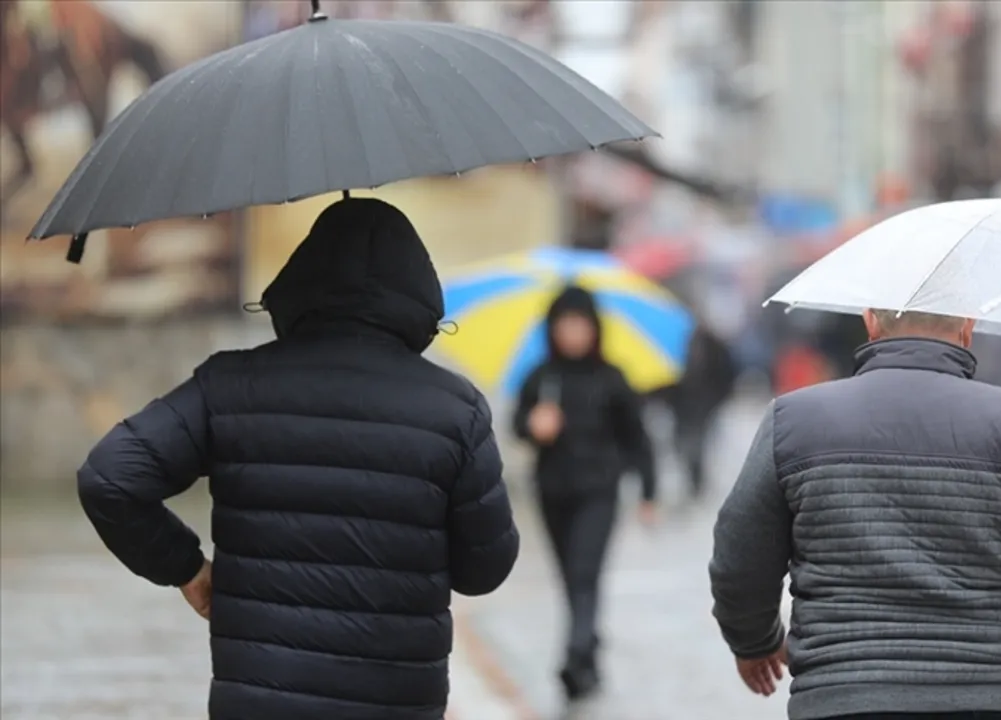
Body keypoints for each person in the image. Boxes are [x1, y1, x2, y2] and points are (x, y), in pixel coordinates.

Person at [77, 198, 520, 720]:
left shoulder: (230, 385)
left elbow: (111, 477)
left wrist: (188, 568)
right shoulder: (455, 410)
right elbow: (483, 569)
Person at [709, 309, 1001, 720]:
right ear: (968, 326)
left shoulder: (792, 420)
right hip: (988, 698)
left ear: (871, 322)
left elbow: (739, 559)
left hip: (842, 695)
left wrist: (755, 642)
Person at [512, 285, 658, 700]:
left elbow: (638, 439)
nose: (573, 332)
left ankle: (575, 654)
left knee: (583, 574)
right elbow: (517, 424)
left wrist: (649, 493)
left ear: (594, 328)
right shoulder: (541, 377)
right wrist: (533, 426)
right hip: (552, 492)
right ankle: (588, 654)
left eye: (580, 324)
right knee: (569, 577)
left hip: (599, 492)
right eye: (565, 324)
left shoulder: (612, 378)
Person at [672, 318, 736, 498]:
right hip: (683, 404)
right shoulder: (676, 345)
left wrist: (719, 398)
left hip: (705, 403)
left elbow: (726, 373)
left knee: (698, 443)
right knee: (683, 443)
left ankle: (697, 480)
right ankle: (694, 478)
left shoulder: (715, 347)